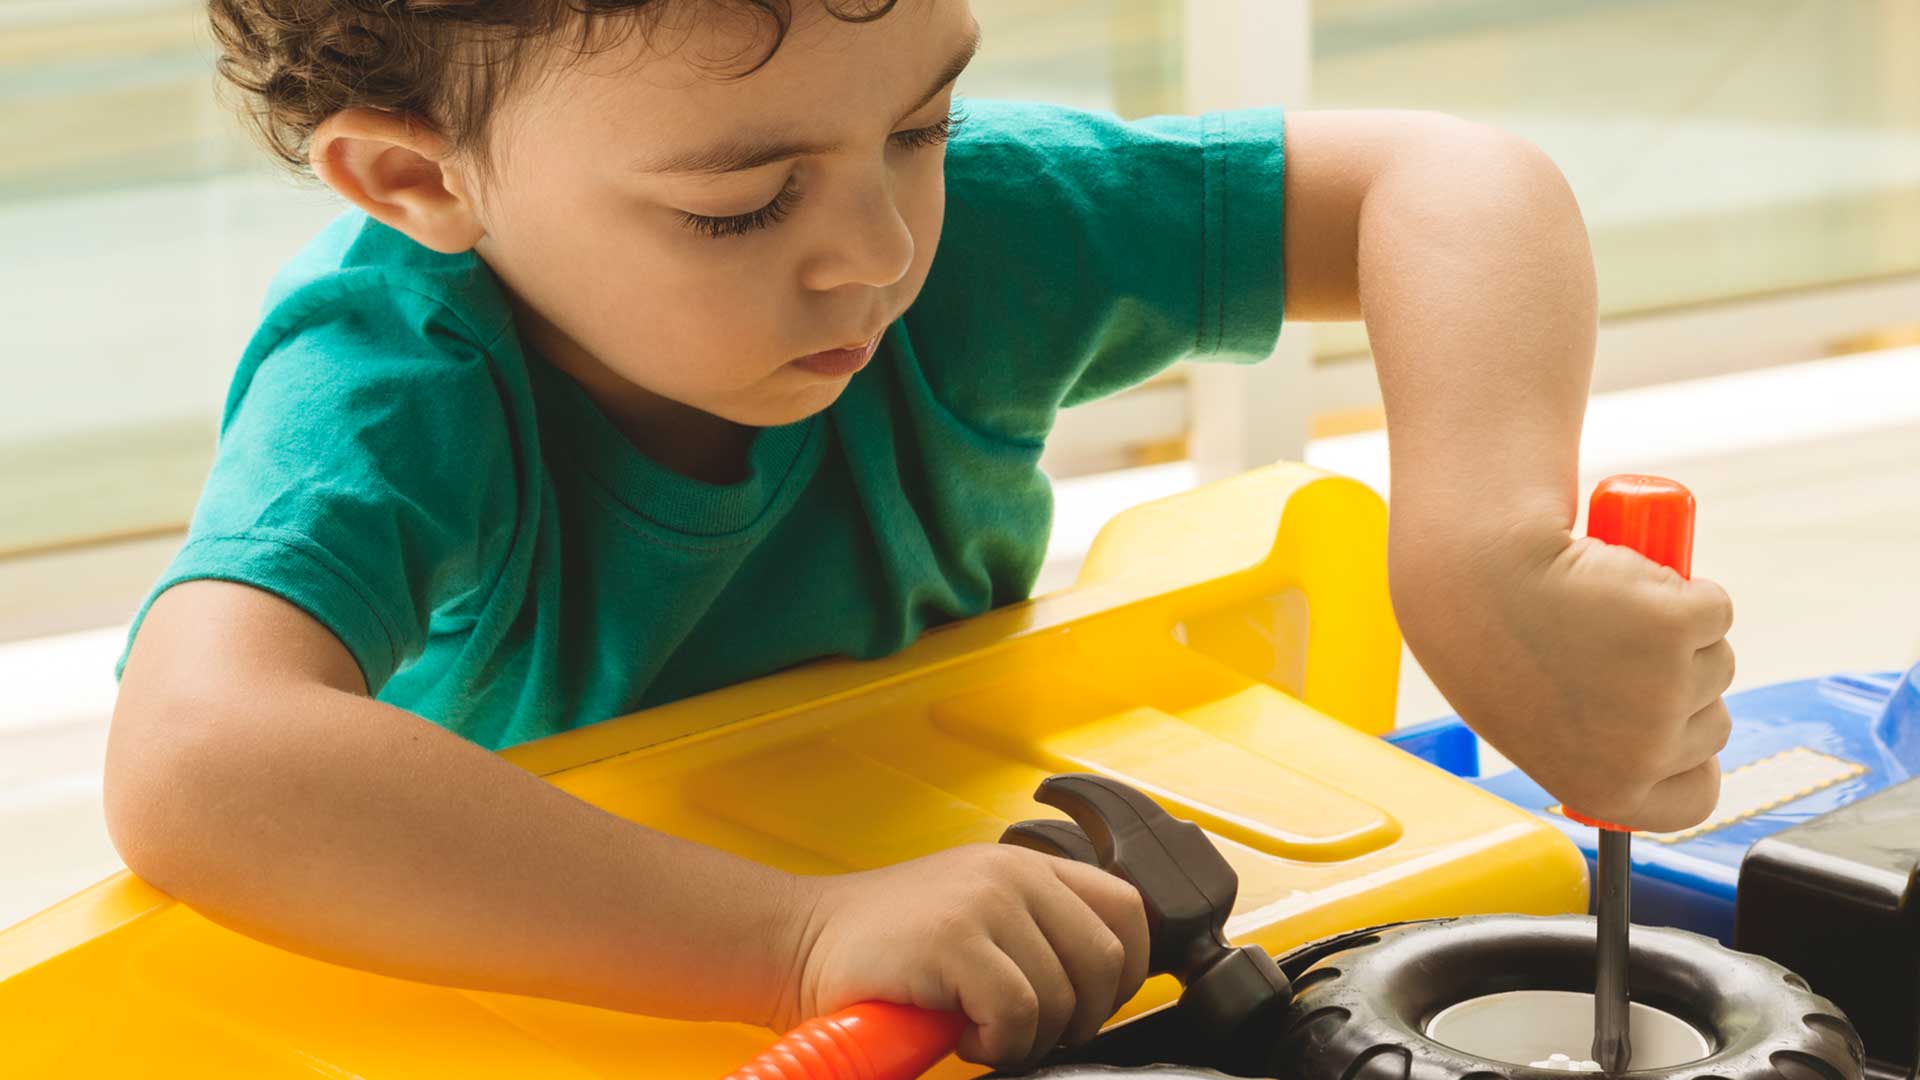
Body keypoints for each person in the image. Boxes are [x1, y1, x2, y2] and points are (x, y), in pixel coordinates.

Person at [103, 0, 1736, 1070]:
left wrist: (1482, 543)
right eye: (740, 206)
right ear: (417, 179)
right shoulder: (391, 385)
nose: (880, 251)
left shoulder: (975, 232)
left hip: (949, 926)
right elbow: (199, 760)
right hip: (555, 1004)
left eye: (922, 127)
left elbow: (1448, 178)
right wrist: (793, 935)